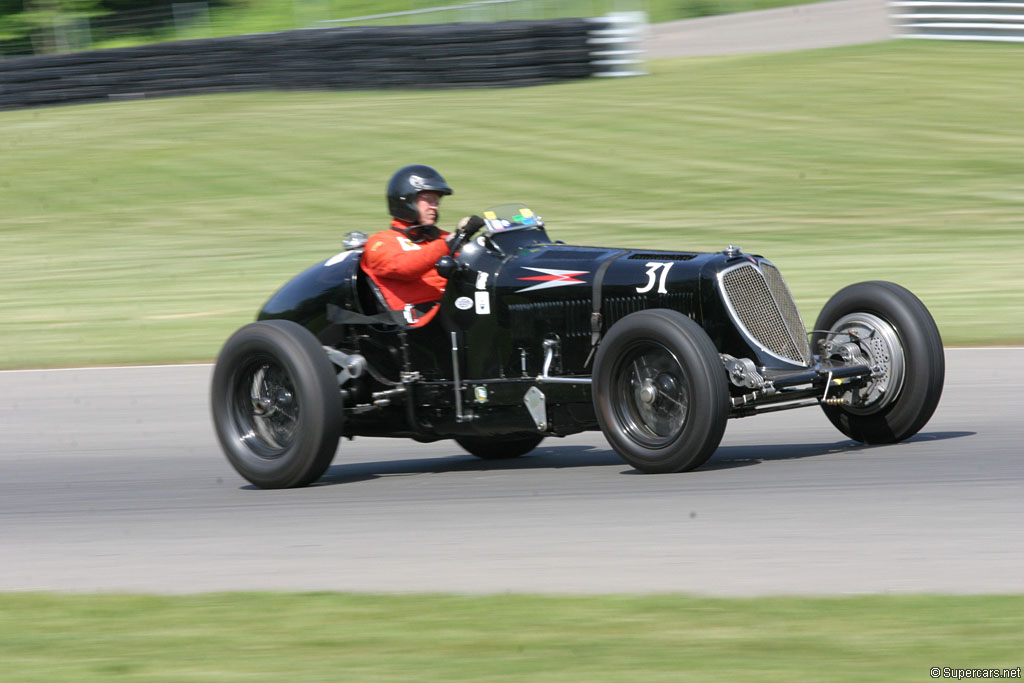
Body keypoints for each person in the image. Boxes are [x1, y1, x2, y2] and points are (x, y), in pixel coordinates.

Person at [361, 164, 456, 327]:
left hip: (454, 308)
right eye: (428, 200)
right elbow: (403, 267)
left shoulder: (441, 237)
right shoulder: (381, 242)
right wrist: (448, 243)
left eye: (437, 201)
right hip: (421, 323)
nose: (435, 206)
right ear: (407, 200)